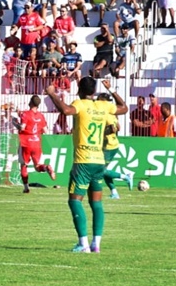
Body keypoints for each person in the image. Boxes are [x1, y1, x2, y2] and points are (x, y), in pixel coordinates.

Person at [46, 77, 128, 253]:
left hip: (83, 160)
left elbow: (66, 110)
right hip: (99, 160)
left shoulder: (81, 104)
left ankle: (83, 243)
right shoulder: (103, 106)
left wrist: (52, 94)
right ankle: (96, 243)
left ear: (79, 89)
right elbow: (124, 108)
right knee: (96, 203)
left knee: (75, 200)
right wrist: (112, 89)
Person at [13, 95, 57, 194]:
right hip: (36, 143)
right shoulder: (41, 116)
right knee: (38, 167)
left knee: (24, 165)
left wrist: (14, 123)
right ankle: (46, 167)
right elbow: (46, 130)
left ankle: (26, 188)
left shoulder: (26, 114)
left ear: (30, 102)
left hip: (26, 143)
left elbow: (22, 128)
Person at [97, 93, 135, 199]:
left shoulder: (106, 115)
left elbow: (113, 128)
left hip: (109, 146)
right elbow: (118, 127)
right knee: (103, 171)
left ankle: (125, 176)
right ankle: (114, 192)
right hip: (110, 145)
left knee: (101, 170)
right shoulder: (111, 113)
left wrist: (103, 132)